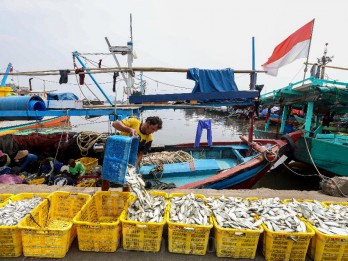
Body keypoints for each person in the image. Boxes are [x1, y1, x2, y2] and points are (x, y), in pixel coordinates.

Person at [101, 116, 163, 191]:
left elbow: (140, 154)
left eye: (154, 131)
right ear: (148, 123)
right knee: (106, 176)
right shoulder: (134, 122)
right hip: (116, 152)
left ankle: (125, 196)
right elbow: (115, 124)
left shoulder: (149, 139)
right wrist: (129, 129)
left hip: (129, 158)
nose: (152, 132)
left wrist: (134, 166)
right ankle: (103, 194)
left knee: (127, 180)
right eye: (152, 129)